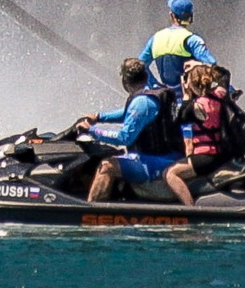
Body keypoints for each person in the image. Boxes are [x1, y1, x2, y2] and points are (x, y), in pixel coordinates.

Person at [73, 58, 180, 202]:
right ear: (145, 76)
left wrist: (92, 131)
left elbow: (125, 137)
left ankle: (91, 211)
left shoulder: (142, 102)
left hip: (158, 161)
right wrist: (99, 117)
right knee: (113, 155)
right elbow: (129, 114)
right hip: (166, 155)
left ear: (124, 80)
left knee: (107, 166)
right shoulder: (150, 96)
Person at [163, 61, 231, 208]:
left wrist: (186, 94)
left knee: (170, 173)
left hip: (207, 156)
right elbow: (225, 74)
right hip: (221, 153)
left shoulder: (197, 106)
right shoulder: (219, 96)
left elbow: (180, 119)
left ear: (192, 83)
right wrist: (202, 64)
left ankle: (190, 208)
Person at [139, 0, 219, 90]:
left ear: (172, 15)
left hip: (166, 96)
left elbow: (140, 66)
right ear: (190, 16)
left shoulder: (155, 38)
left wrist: (154, 85)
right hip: (189, 94)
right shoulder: (192, 40)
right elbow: (213, 66)